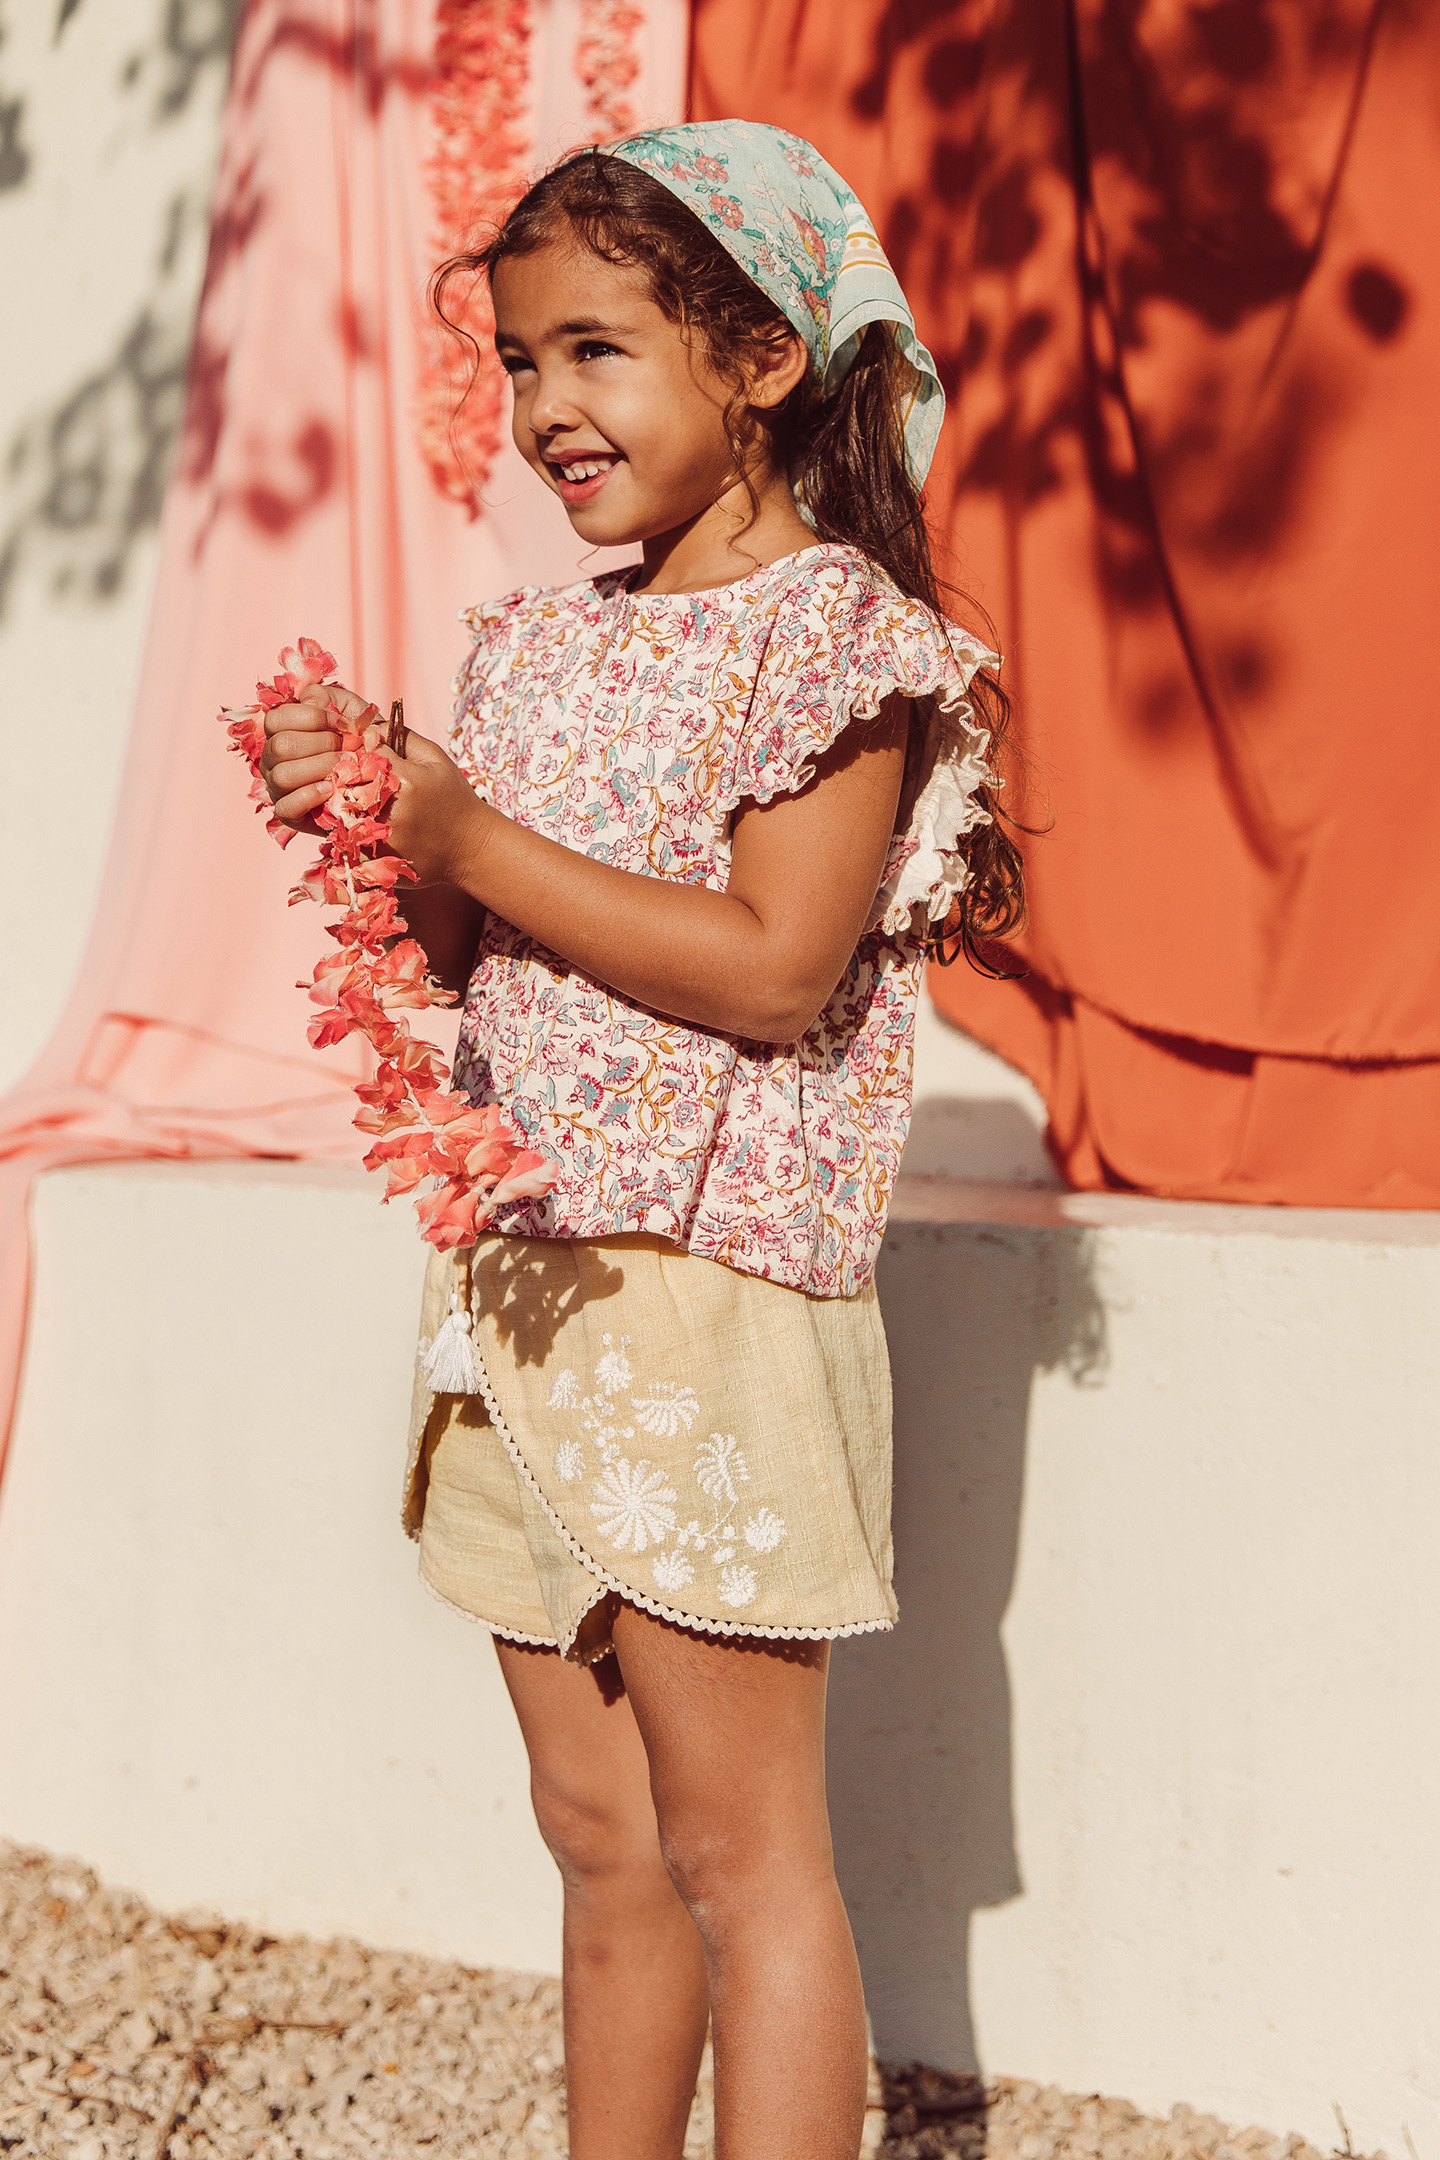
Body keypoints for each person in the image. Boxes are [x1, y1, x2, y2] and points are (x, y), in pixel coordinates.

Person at [260, 120, 1022, 2160]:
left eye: (594, 350)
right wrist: (386, 822)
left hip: (708, 1299)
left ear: (762, 358)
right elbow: (473, 953)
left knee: (737, 1851)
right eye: (520, 363)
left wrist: (477, 834)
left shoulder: (833, 636)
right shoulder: (539, 641)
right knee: (596, 1836)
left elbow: (777, 967)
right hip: (518, 1286)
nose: (545, 409)